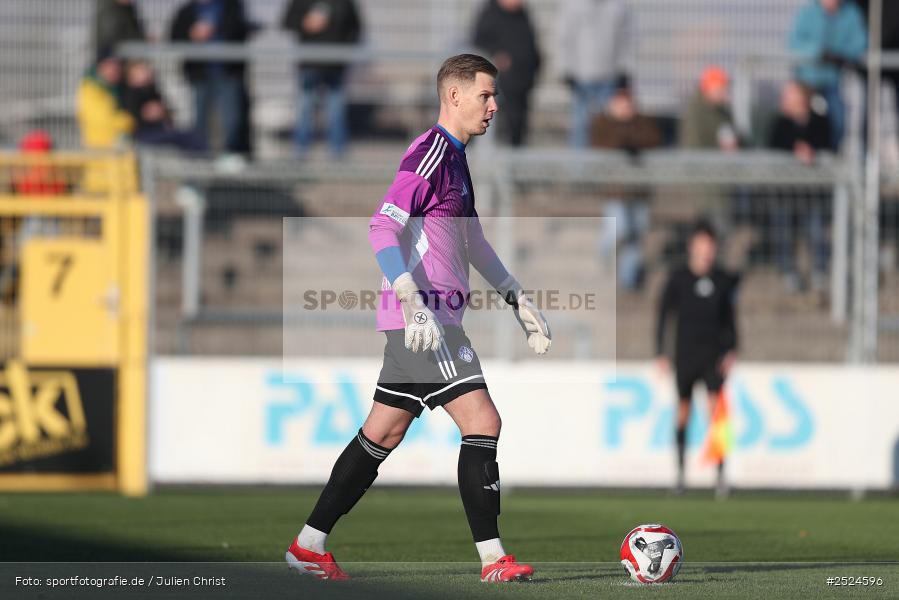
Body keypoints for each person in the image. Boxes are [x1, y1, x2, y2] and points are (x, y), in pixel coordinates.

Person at [284, 54, 552, 583]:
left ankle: (308, 546)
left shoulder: (457, 158)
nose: (494, 106)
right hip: (426, 320)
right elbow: (381, 227)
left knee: (382, 432)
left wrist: (516, 298)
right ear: (454, 96)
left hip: (430, 318)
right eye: (485, 95)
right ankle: (494, 559)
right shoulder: (430, 152)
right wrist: (410, 298)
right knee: (483, 421)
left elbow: (472, 240)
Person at [655, 222, 739, 497]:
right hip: (686, 355)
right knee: (683, 413)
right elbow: (663, 316)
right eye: (702, 246)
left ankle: (720, 476)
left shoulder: (722, 280)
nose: (706, 252)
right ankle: (680, 475)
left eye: (711, 247)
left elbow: (730, 320)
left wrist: (732, 350)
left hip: (712, 357)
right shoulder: (679, 278)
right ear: (693, 247)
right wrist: (660, 352)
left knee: (716, 415)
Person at [591, 76, 662, 291]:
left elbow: (653, 140)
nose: (625, 105)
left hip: (639, 190)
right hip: (615, 190)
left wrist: (630, 129)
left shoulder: (642, 121)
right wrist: (620, 126)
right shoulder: (602, 122)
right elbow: (603, 145)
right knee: (618, 229)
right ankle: (601, 258)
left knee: (636, 235)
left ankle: (627, 281)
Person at [768, 80, 832, 294]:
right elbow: (774, 145)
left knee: (815, 233)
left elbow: (827, 144)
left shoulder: (820, 121)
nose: (784, 99)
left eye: (789, 94)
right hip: (786, 194)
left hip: (813, 193)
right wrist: (795, 149)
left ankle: (819, 272)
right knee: (785, 233)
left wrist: (810, 150)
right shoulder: (780, 123)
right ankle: (789, 272)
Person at [170, 0, 252, 155]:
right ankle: (200, 163)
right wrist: (191, 34)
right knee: (200, 123)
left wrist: (219, 30)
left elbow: (240, 31)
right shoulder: (187, 10)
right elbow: (175, 37)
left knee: (231, 121)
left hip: (227, 74)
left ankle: (229, 160)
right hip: (200, 76)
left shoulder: (231, 6)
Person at [281, 0, 362, 158]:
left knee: (336, 112)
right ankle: (300, 151)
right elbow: (287, 21)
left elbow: (356, 28)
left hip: (335, 66)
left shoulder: (345, 3)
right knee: (305, 109)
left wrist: (345, 52)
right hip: (309, 64)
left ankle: (337, 153)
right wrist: (305, 22)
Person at [788, 0, 867, 152]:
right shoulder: (807, 13)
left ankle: (830, 156)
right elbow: (794, 44)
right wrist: (819, 52)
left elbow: (860, 43)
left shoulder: (851, 13)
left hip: (832, 82)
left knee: (838, 121)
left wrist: (841, 55)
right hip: (806, 81)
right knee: (801, 123)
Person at [558, 0, 634, 149]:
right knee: (580, 125)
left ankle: (604, 167)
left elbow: (626, 39)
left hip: (609, 77)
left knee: (607, 126)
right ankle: (578, 169)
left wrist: (625, 69)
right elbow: (564, 38)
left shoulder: (618, 6)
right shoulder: (573, 5)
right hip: (581, 77)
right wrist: (565, 69)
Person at [473, 0, 541, 147]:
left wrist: (536, 63)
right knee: (505, 127)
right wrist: (496, 56)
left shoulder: (523, 14)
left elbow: (531, 43)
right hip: (502, 84)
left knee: (519, 128)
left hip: (523, 81)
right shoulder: (490, 14)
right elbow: (478, 42)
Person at [122, 60, 207, 153]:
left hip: (159, 129)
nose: (146, 72)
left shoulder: (151, 89)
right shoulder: (130, 93)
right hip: (143, 133)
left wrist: (160, 112)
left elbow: (162, 110)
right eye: (141, 70)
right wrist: (148, 113)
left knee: (192, 137)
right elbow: (134, 115)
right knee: (186, 137)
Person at [76, 52, 134, 149]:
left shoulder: (114, 89)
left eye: (118, 67)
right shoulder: (92, 89)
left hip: (113, 151)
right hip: (101, 152)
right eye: (113, 67)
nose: (116, 71)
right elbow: (104, 121)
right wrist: (130, 120)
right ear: (101, 67)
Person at [679, 66, 739, 151]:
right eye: (720, 90)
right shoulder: (696, 113)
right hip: (704, 161)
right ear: (709, 89)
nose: (724, 93)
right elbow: (693, 144)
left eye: (724, 89)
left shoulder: (723, 111)